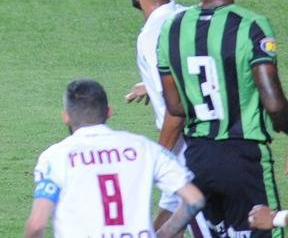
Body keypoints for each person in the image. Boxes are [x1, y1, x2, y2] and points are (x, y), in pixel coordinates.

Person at [158, 0, 288, 237]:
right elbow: (275, 104)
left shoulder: (171, 29)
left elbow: (175, 107)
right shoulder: (252, 26)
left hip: (199, 159)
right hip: (244, 159)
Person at [24, 79, 205, 238]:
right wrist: (163, 234)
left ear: (65, 117)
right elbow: (195, 199)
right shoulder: (144, 148)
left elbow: (36, 224)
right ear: (109, 112)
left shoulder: (55, 156)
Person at [121, 0, 209, 237]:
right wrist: (151, 84)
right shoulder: (186, 15)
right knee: (162, 230)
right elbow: (195, 69)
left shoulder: (151, 36)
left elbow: (177, 110)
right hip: (208, 146)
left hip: (190, 154)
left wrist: (158, 158)